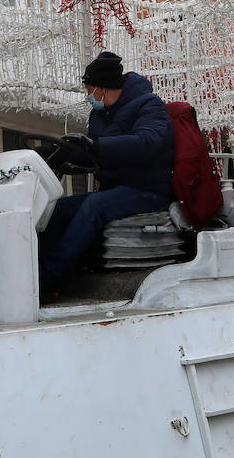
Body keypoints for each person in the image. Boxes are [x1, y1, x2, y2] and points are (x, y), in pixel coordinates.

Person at [38, 51, 175, 291]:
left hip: (148, 189)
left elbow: (147, 143)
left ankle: (48, 277)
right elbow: (92, 151)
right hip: (117, 187)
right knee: (60, 207)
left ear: (102, 88)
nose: (88, 96)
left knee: (94, 206)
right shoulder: (101, 114)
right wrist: (58, 152)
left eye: (89, 89)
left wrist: (96, 146)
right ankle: (40, 267)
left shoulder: (149, 105)